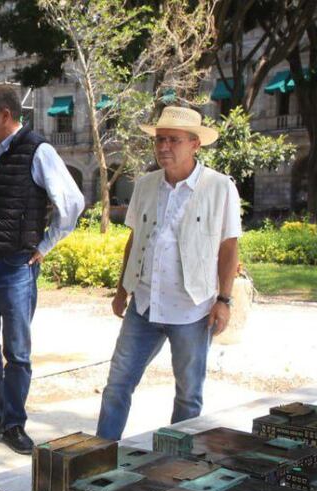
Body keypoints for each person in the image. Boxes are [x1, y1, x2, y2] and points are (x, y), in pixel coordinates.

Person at [95, 106, 241, 442]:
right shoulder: (146, 185)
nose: (164, 147)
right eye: (160, 140)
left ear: (195, 145)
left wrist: (224, 300)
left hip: (192, 308)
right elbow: (135, 240)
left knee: (188, 393)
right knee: (118, 383)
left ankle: (174, 464)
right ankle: (100, 453)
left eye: (173, 140)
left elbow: (229, 247)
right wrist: (122, 289)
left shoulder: (219, 188)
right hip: (145, 304)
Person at [0, 84, 84, 454]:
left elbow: (72, 203)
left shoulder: (39, 150)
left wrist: (43, 246)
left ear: (6, 115)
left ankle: (14, 422)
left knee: (17, 350)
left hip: (15, 265)